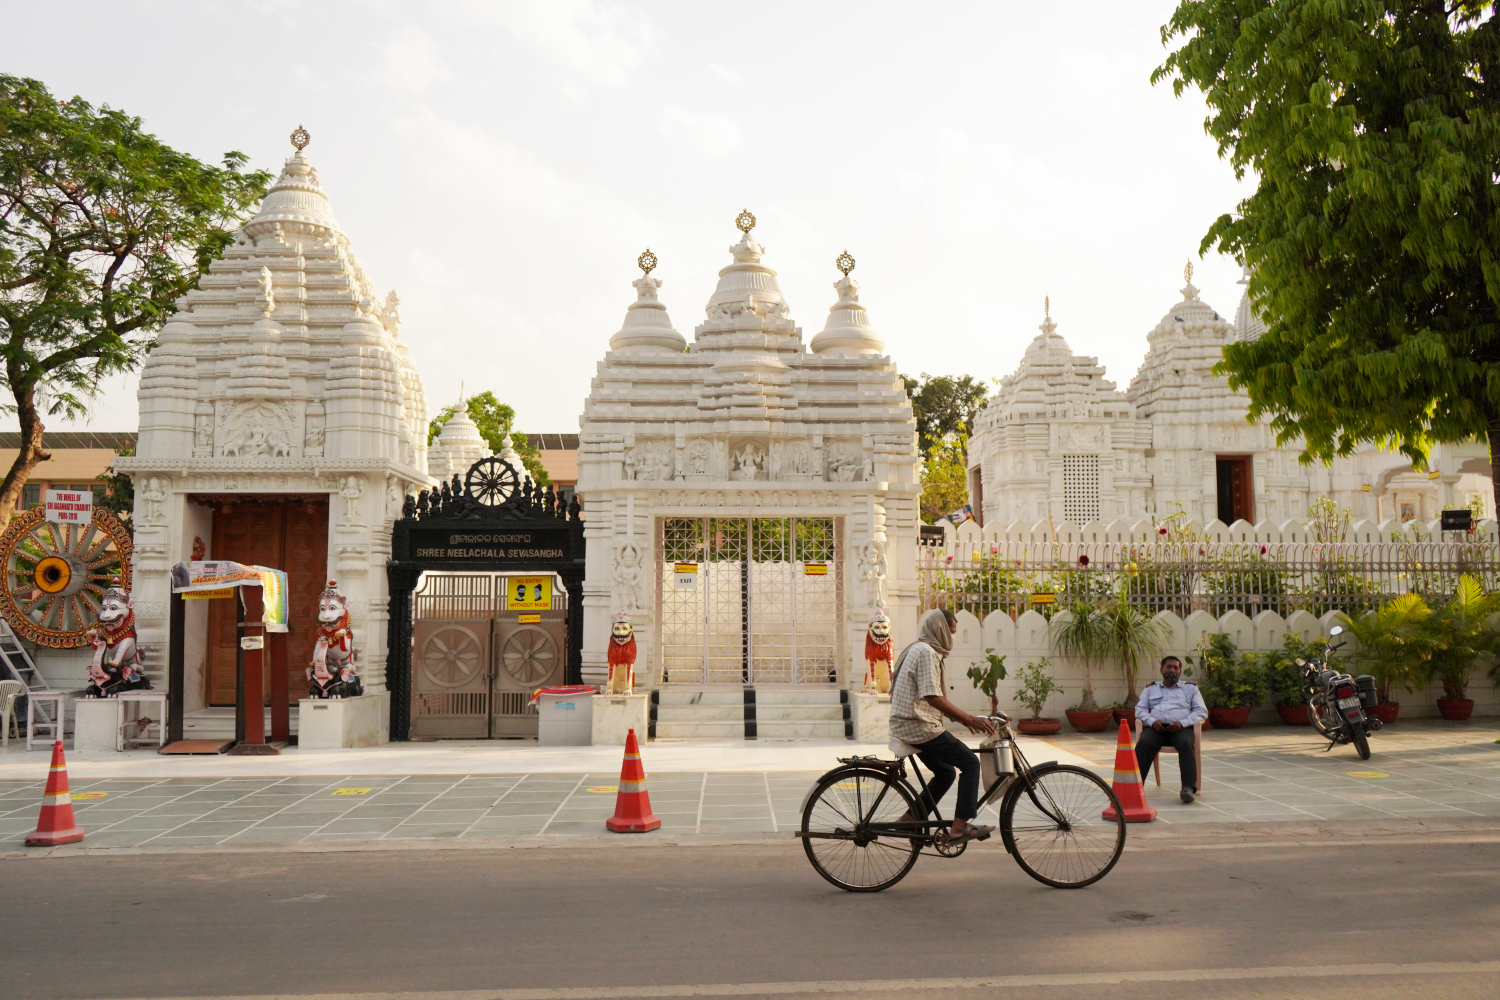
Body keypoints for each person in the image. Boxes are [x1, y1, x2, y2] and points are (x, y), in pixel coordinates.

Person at [888, 607, 997, 843]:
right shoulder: (926, 652)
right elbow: (933, 698)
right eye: (951, 631)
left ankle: (909, 820)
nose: (953, 637)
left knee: (946, 772)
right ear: (940, 629)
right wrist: (968, 718)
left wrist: (963, 718)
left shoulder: (919, 648)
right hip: (918, 726)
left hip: (909, 724)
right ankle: (959, 828)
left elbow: (933, 698)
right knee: (969, 763)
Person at [1134, 655, 1208, 803]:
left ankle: (1188, 788)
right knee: (1144, 743)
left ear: (1180, 671)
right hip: (1156, 728)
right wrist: (1152, 721)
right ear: (1161, 669)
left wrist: (1182, 723)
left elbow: (1201, 711)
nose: (1172, 670)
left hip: (1181, 728)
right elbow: (1139, 710)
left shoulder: (1190, 689)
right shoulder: (1150, 689)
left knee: (1186, 743)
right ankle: (1134, 787)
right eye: (1168, 667)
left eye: (1176, 667)